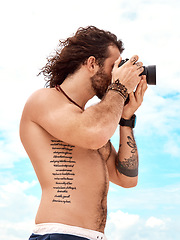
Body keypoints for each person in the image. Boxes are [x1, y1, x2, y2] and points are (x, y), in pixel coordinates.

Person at [20, 26, 147, 240]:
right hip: (59, 233)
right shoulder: (44, 100)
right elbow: (94, 134)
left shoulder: (90, 120)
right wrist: (119, 87)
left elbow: (126, 178)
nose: (117, 73)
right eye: (114, 66)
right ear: (91, 63)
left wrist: (126, 119)